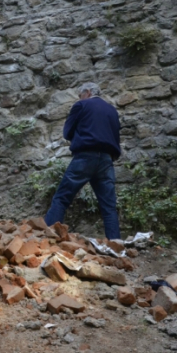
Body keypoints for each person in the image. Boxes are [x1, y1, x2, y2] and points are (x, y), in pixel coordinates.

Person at [44, 82, 122, 240]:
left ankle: (47, 237)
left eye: (80, 95)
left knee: (62, 197)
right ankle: (116, 245)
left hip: (85, 156)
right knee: (109, 207)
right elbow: (115, 136)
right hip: (106, 160)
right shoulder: (112, 110)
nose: (80, 98)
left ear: (87, 92)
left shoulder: (82, 105)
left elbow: (67, 132)